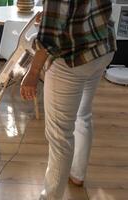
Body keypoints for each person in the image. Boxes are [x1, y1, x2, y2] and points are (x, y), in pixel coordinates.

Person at [20, 0, 117, 199]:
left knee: (60, 134)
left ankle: (51, 196)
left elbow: (47, 39)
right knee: (83, 115)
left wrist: (33, 72)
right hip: (102, 49)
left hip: (72, 60)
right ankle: (77, 174)